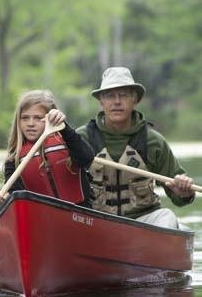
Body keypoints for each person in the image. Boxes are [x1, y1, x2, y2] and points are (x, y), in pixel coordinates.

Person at [76, 66, 195, 228]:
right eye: (110, 96)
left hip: (143, 221)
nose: (117, 101)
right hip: (95, 222)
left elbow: (179, 199)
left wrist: (184, 192)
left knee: (167, 217)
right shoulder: (82, 138)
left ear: (135, 100)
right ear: (101, 101)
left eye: (123, 95)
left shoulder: (153, 141)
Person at [0, 89, 94, 207]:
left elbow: (87, 157)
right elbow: (15, 194)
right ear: (18, 121)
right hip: (42, 217)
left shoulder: (67, 141)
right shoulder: (14, 158)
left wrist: (64, 127)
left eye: (38, 118)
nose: (30, 123)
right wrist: (3, 199)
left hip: (79, 213)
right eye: (25, 118)